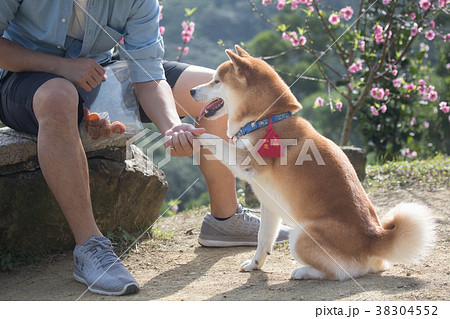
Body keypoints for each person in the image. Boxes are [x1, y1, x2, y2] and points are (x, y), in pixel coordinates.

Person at [0, 0, 288, 296]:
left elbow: (149, 73)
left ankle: (225, 220)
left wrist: (172, 127)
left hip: (100, 72)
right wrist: (61, 68)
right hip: (24, 78)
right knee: (59, 96)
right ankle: (90, 246)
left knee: (214, 86)